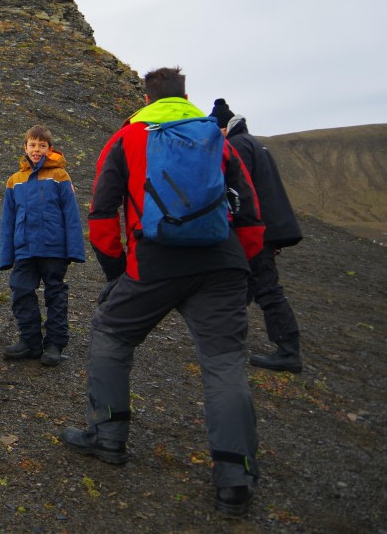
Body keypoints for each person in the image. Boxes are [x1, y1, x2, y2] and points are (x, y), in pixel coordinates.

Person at [63, 67, 265, 517]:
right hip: (222, 262)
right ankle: (235, 480)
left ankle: (108, 435)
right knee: (224, 363)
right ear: (185, 96)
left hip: (154, 261)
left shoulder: (126, 138)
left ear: (146, 98)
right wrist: (245, 268)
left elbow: (102, 215)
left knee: (111, 333)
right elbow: (249, 210)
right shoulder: (217, 139)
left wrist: (117, 272)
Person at [0, 124, 85, 366]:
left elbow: (71, 214)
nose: (37, 150)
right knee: (20, 290)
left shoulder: (60, 177)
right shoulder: (14, 181)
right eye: (33, 145)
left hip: (53, 249)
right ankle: (30, 341)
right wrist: (7, 255)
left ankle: (55, 343)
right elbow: (8, 220)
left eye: (42, 146)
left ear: (50, 149)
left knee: (55, 294)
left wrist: (74, 250)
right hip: (24, 249)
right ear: (25, 147)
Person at [224, 112, 305, 373]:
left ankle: (288, 351)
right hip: (269, 225)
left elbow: (239, 190)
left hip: (257, 228)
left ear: (224, 127)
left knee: (266, 286)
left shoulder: (237, 145)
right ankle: (228, 338)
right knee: (245, 283)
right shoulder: (255, 143)